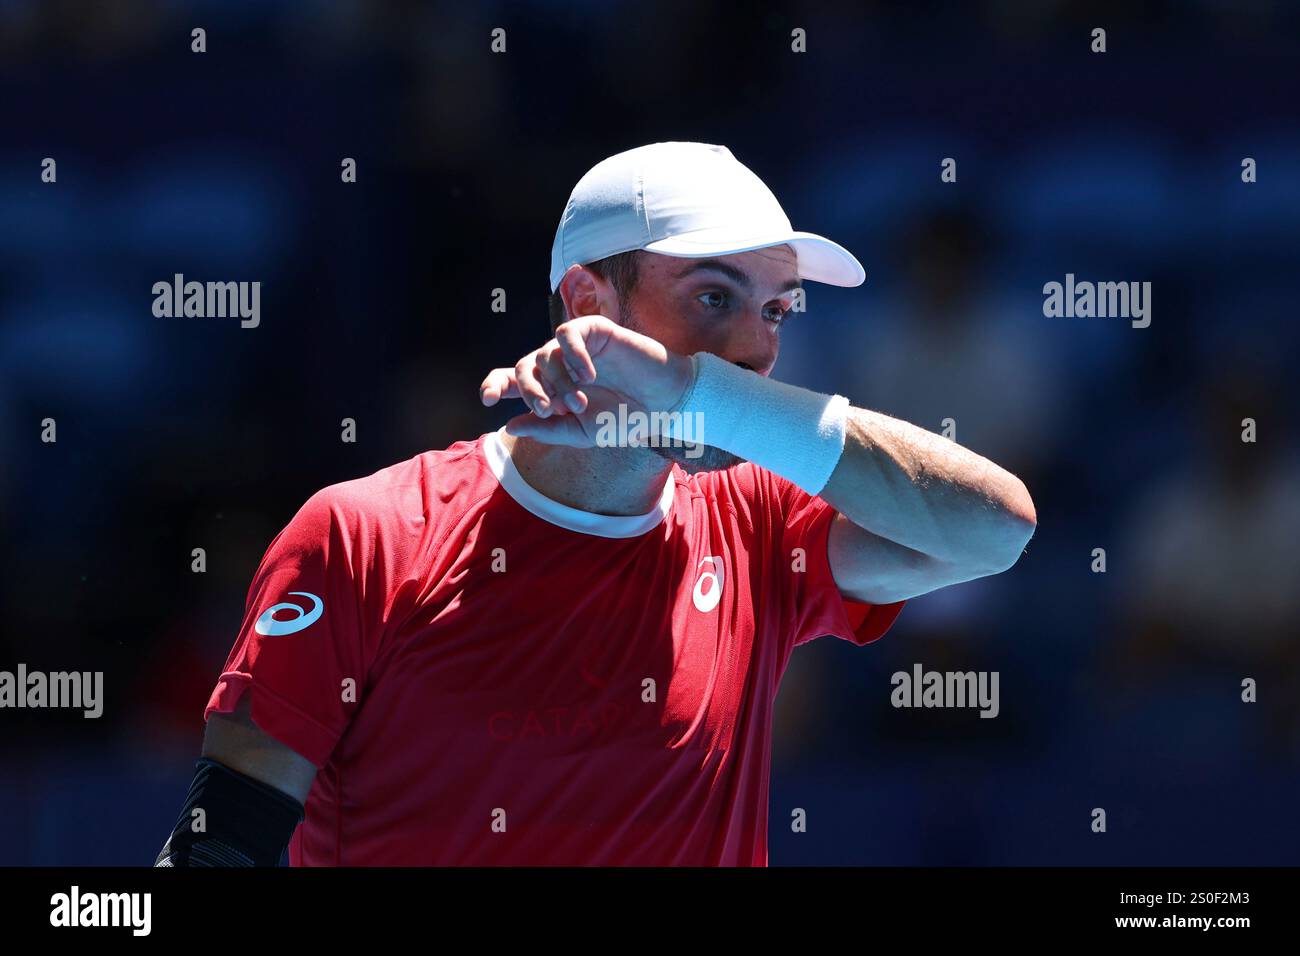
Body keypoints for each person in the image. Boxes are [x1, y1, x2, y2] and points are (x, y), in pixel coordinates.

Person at [155, 142, 1036, 866]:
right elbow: (218, 852)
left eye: (776, 309)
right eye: (713, 298)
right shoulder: (364, 534)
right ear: (586, 300)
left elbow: (994, 531)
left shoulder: (760, 521)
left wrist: (703, 398)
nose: (756, 349)